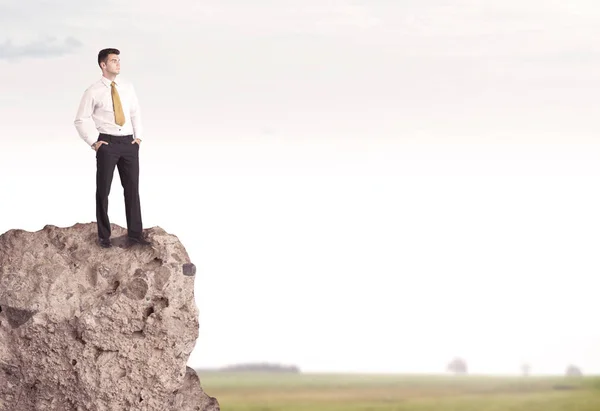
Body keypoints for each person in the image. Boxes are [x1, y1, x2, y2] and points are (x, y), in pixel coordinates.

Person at [74, 48, 151, 248]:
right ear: (103, 65)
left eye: (118, 60)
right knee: (103, 191)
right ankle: (104, 237)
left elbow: (135, 113)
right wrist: (94, 142)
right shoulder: (93, 91)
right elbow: (80, 119)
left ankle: (135, 235)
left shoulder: (127, 87)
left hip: (128, 144)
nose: (118, 63)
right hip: (107, 144)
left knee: (132, 189)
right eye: (114, 60)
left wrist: (139, 138)